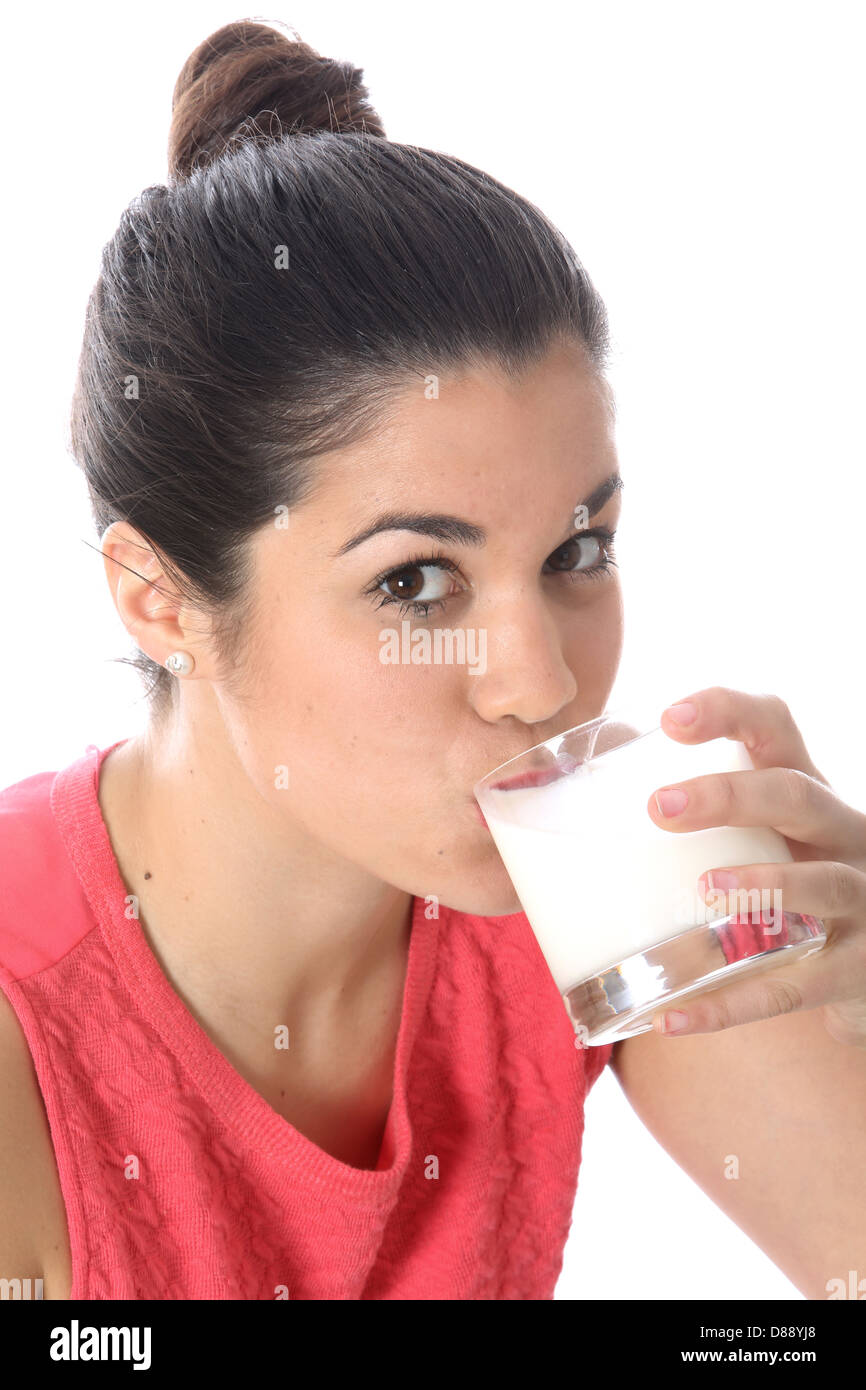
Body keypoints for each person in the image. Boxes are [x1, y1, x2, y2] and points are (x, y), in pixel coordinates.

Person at [2, 19, 865, 1302]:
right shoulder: (30, 1035)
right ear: (162, 598)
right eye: (413, 581)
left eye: (576, 551)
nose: (538, 683)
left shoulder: (589, 897)